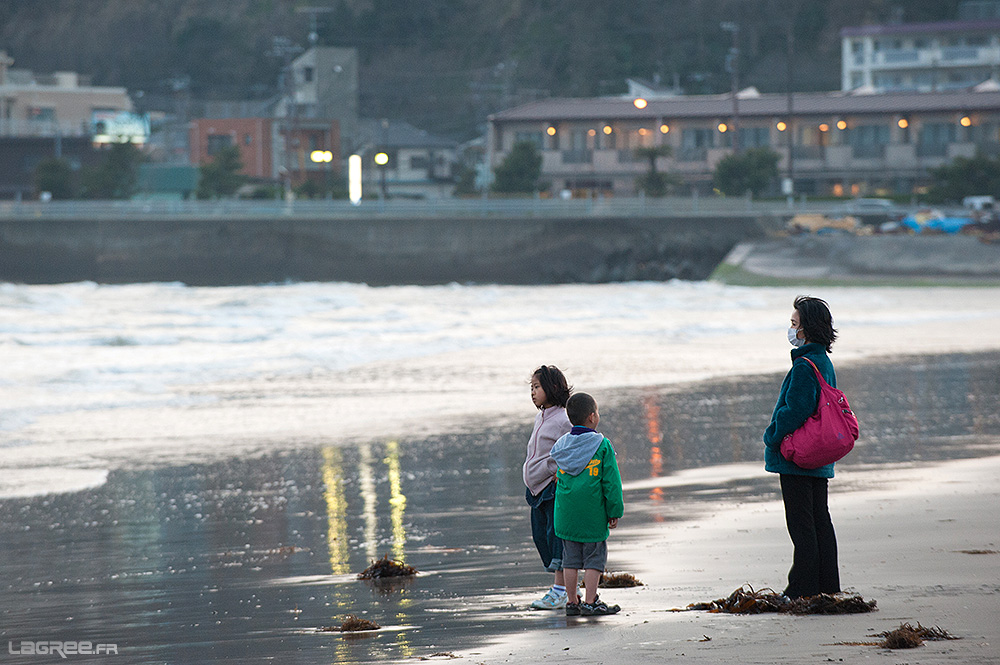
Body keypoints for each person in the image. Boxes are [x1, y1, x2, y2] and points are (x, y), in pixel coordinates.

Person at [763, 296, 842, 599]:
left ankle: (803, 586)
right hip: (819, 455)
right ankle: (827, 583)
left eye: (794, 324)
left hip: (797, 456)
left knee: (801, 523)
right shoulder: (823, 360)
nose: (791, 329)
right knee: (820, 518)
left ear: (807, 329)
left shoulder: (804, 366)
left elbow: (795, 410)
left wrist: (772, 435)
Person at [550, 392, 624, 616]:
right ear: (592, 417)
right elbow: (611, 481)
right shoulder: (602, 445)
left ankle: (572, 602)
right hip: (593, 514)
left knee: (569, 560)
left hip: (566, 515)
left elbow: (557, 478)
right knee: (594, 558)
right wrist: (614, 510)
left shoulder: (561, 446)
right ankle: (590, 601)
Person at [523, 365, 573, 610]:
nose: (533, 392)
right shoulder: (540, 416)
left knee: (556, 538)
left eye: (537, 387)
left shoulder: (564, 419)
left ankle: (560, 590)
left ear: (552, 388)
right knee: (541, 536)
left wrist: (557, 471)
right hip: (535, 490)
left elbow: (576, 446)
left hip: (552, 488)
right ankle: (559, 589)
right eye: (531, 387)